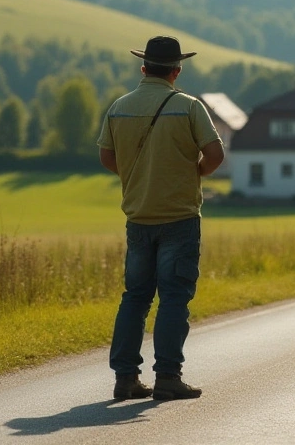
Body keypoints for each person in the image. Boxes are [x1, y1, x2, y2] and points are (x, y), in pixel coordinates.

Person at [97, 35, 225, 401]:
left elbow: (107, 157)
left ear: (143, 68)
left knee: (134, 297)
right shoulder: (188, 107)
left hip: (138, 218)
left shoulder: (118, 107)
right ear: (177, 70)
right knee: (173, 298)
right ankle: (168, 377)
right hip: (180, 218)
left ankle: (125, 379)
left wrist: (137, 178)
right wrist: (193, 173)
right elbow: (214, 155)